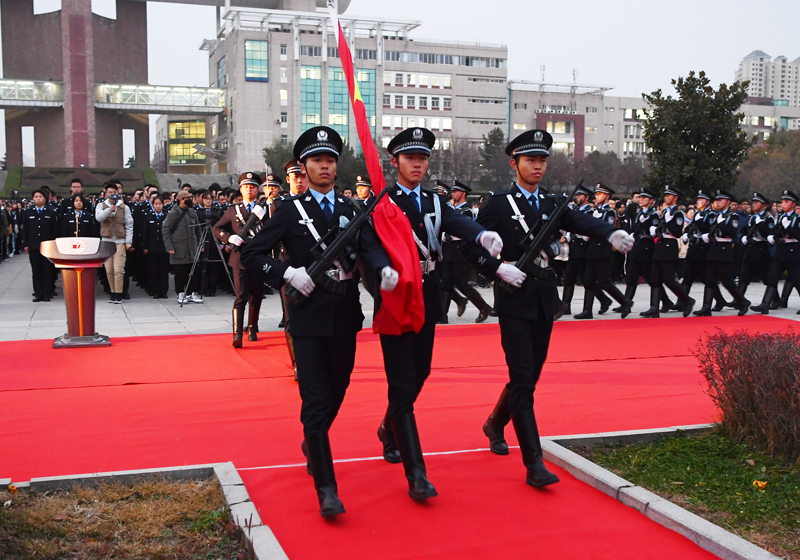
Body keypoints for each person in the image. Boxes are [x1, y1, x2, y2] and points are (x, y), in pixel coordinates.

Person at [463, 129, 633, 488]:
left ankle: (495, 422)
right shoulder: (497, 203)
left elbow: (580, 221)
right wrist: (496, 268)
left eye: (541, 160)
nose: (537, 166)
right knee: (524, 381)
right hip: (512, 297)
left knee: (529, 376)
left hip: (544, 298)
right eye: (530, 160)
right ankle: (534, 463)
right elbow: (469, 246)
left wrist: (609, 232)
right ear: (515, 164)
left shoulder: (552, 204)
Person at [241, 126, 395, 517]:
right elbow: (252, 253)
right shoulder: (289, 211)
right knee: (315, 400)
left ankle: (314, 440)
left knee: (338, 389)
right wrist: (286, 273)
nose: (324, 167)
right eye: (316, 161)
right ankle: (327, 487)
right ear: (303, 168)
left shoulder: (351, 211)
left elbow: (369, 249)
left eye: (330, 161)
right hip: (307, 319)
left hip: (344, 315)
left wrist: (383, 272)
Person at [372, 127, 501, 500]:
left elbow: (458, 223)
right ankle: (417, 475)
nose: (417, 163)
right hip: (397, 293)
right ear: (395, 161)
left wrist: (480, 235)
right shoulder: (384, 200)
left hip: (428, 292)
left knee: (421, 372)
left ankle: (387, 427)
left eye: (423, 157)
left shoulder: (433, 201)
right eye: (410, 157)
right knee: (401, 380)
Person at [213, 173, 269, 347]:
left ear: (257, 189)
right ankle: (237, 333)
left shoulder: (264, 209)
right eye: (246, 187)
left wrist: (264, 217)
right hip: (239, 258)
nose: (249, 190)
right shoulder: (233, 210)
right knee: (241, 296)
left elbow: (272, 230)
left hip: (258, 257)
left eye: (252, 187)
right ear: (241, 189)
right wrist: (229, 238)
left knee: (257, 295)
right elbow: (216, 227)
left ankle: (252, 328)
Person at [573, 183, 632, 319]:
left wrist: (591, 232)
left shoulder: (609, 212)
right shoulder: (596, 211)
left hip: (603, 249)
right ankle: (587, 310)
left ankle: (625, 302)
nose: (597, 196)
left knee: (604, 281)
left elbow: (606, 230)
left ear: (606, 196)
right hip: (593, 248)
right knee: (588, 280)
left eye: (599, 194)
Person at [440, 180, 493, 323]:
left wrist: (448, 234)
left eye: (455, 191)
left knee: (462, 283)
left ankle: (483, 307)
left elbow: (464, 231)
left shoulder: (467, 211)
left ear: (462, 194)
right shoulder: (452, 210)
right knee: (445, 284)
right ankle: (442, 315)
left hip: (460, 251)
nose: (452, 194)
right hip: (449, 250)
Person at [639, 187, 695, 318]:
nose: (666, 198)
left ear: (675, 197)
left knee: (669, 279)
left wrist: (669, 221)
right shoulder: (666, 212)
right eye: (665, 195)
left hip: (670, 246)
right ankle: (654, 307)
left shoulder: (678, 214)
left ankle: (687, 300)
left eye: (669, 196)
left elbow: (677, 232)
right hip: (660, 245)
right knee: (655, 278)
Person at [693, 190, 750, 316]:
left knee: (727, 281)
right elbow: (708, 228)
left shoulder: (732, 216)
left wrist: (721, 223)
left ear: (728, 202)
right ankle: (706, 307)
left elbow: (733, 233)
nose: (718, 202)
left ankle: (742, 301)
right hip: (714, 248)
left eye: (721, 200)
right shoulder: (715, 215)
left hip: (725, 249)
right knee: (709, 279)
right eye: (717, 200)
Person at [751, 190, 800, 314]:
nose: (783, 204)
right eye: (782, 202)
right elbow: (774, 231)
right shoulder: (782, 217)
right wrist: (772, 237)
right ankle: (765, 304)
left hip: (792, 251)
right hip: (780, 250)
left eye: (787, 202)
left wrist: (788, 227)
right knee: (772, 277)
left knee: (796, 279)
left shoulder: (797, 219)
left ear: (794, 204)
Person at [95, 182, 133, 304]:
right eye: (110, 192)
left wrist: (128, 241)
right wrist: (109, 210)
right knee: (109, 270)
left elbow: (129, 224)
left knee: (118, 269)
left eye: (114, 192)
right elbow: (99, 218)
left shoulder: (124, 207)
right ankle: (112, 291)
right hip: (106, 241)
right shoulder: (101, 205)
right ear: (106, 193)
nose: (112, 195)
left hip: (120, 241)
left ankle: (118, 293)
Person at [163, 191, 202, 305]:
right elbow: (166, 229)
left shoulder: (192, 212)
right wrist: (169, 246)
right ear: (181, 200)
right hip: (179, 246)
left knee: (193, 271)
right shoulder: (174, 213)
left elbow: (198, 229)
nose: (190, 200)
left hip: (192, 246)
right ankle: (180, 293)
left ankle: (191, 293)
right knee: (180, 272)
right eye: (187, 198)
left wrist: (200, 243)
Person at [21, 188, 59, 302]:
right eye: (36, 197)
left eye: (41, 197)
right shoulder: (28, 212)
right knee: (36, 271)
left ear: (45, 199)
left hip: (47, 246)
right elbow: (25, 230)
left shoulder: (51, 212)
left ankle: (47, 294)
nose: (38, 199)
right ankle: (38, 293)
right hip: (33, 246)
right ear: (33, 199)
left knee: (47, 270)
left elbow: (55, 230)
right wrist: (25, 244)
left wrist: (55, 244)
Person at [737, 192, 774, 301]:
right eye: (753, 202)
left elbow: (767, 233)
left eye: (756, 203)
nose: (753, 205)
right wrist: (743, 237)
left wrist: (760, 223)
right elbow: (744, 230)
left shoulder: (768, 219)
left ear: (763, 205)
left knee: (766, 277)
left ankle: (775, 299)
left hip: (761, 250)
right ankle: (738, 299)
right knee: (744, 276)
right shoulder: (751, 218)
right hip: (750, 249)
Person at [141, 196, 170, 299]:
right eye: (156, 204)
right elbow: (145, 233)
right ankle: (156, 291)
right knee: (154, 270)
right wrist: (145, 246)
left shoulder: (167, 216)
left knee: (164, 270)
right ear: (153, 205)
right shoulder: (148, 216)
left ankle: (164, 291)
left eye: (160, 204)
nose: (158, 206)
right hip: (152, 247)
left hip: (164, 247)